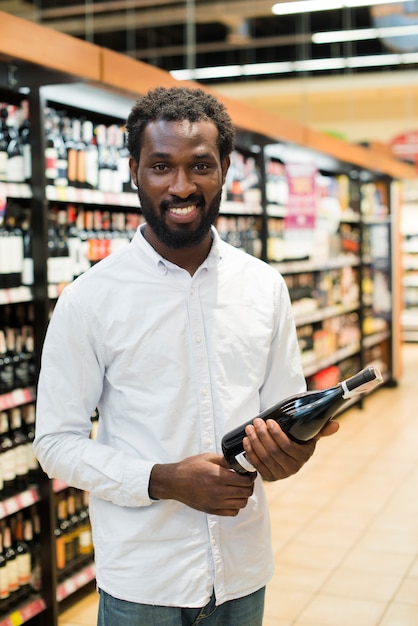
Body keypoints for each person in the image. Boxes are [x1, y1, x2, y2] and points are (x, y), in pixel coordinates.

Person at [34, 86, 338, 626]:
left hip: (242, 573)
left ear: (224, 169)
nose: (181, 186)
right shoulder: (89, 299)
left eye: (200, 165)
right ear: (134, 171)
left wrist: (293, 452)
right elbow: (55, 443)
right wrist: (164, 478)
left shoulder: (264, 287)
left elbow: (281, 418)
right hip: (142, 581)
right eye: (160, 166)